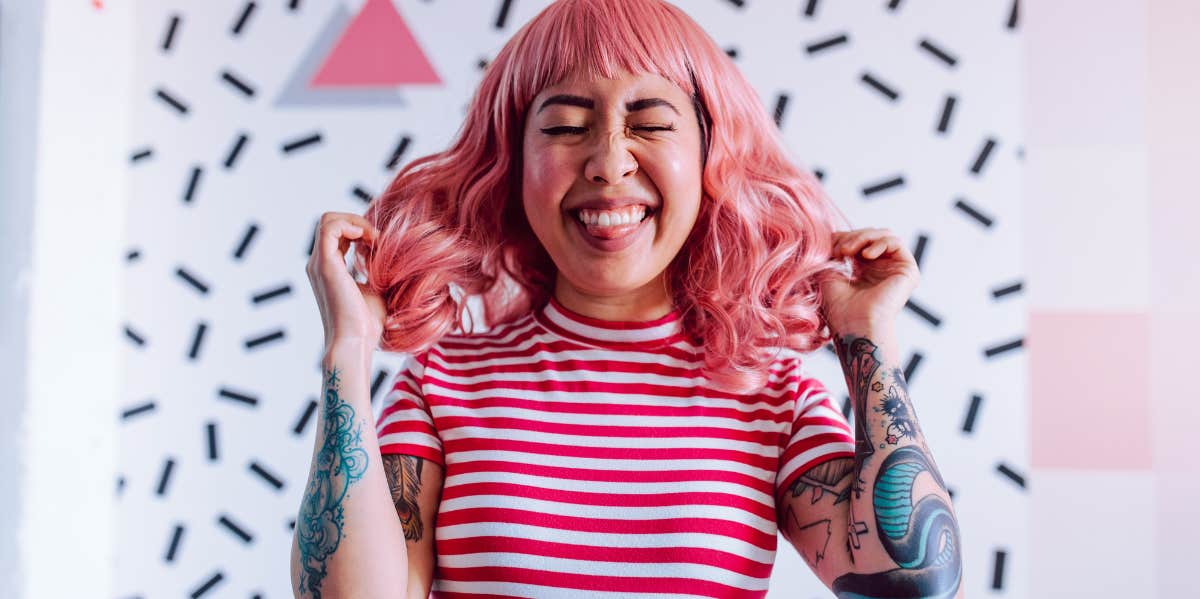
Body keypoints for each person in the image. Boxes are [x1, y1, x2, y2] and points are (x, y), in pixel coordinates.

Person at [292, 0, 963, 597]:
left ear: (711, 158)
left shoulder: (777, 397)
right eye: (563, 126)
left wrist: (866, 338)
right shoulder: (441, 385)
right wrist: (348, 351)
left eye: (650, 122)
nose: (609, 161)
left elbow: (915, 584)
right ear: (513, 166)